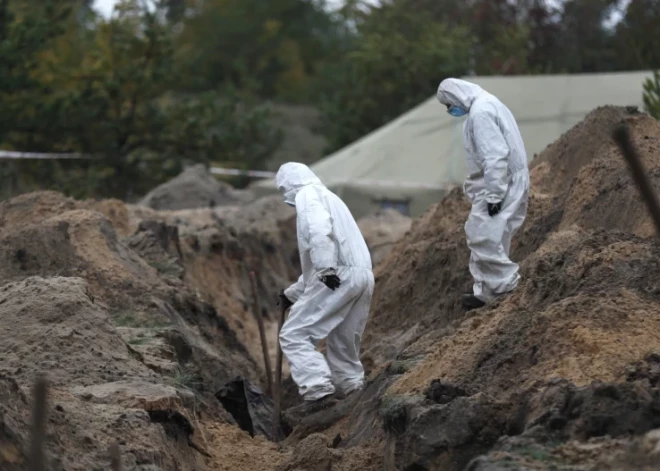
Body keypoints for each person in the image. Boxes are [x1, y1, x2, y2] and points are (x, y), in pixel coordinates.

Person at [276, 162, 374, 403]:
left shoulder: (307, 195)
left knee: (294, 334)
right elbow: (317, 266)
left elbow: (320, 231)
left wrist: (326, 268)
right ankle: (352, 391)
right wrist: (292, 294)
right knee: (343, 341)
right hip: (362, 276)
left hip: (337, 273)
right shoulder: (331, 197)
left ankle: (318, 391)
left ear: (288, 185)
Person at [436, 78, 530, 310]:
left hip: (501, 182)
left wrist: (494, 195)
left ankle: (507, 285)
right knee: (493, 234)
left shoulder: (480, 113)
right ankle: (487, 291)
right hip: (505, 179)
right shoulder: (487, 104)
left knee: (482, 234)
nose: (450, 110)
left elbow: (494, 155)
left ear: (456, 95)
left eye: (448, 104)